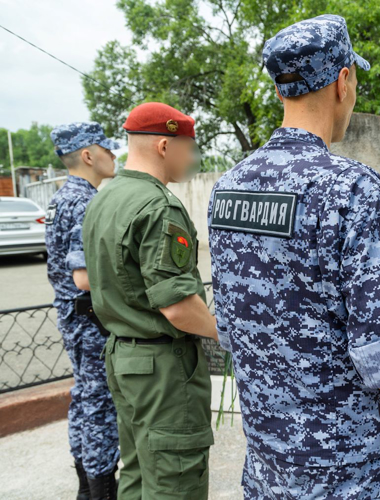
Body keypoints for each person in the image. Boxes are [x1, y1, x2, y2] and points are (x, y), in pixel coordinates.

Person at [208, 14, 380, 499]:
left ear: (279, 90)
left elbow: (229, 325)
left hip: (266, 467)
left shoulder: (226, 189)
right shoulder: (352, 190)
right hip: (345, 474)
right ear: (343, 81)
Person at [82, 102, 218, 500]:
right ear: (164, 145)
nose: (191, 158)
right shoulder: (159, 205)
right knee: (175, 480)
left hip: (124, 358)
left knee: (140, 474)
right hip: (163, 369)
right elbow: (176, 306)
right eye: (189, 148)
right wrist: (223, 332)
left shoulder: (106, 197)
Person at [46, 122, 121, 500]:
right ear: (88, 156)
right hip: (90, 321)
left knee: (84, 400)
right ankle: (101, 491)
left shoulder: (62, 197)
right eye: (107, 149)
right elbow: (84, 277)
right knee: (100, 409)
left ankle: (85, 487)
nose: (114, 155)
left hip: (72, 319)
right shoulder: (85, 201)